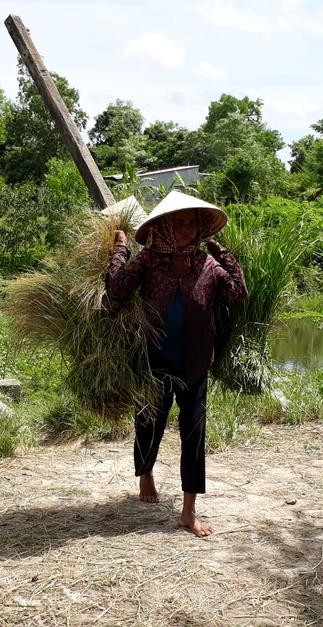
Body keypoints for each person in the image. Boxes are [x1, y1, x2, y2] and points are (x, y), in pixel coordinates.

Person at [105, 191, 248, 537]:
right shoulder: (150, 260)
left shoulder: (207, 264)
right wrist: (121, 250)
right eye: (180, 222)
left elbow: (238, 292)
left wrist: (222, 253)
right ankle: (146, 474)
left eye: (193, 223)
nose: (187, 228)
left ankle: (188, 511)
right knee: (148, 422)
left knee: (194, 434)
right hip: (155, 357)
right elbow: (116, 291)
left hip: (196, 362)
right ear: (166, 225)